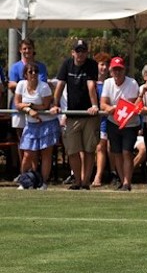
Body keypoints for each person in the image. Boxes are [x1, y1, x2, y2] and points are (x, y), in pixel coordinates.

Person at [51, 39, 99, 190]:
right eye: (78, 51)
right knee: (72, 150)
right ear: (73, 53)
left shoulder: (92, 64)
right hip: (72, 115)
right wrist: (55, 104)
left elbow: (91, 85)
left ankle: (85, 182)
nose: (80, 54)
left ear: (87, 52)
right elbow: (60, 85)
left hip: (89, 116)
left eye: (83, 51)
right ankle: (77, 181)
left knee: (89, 149)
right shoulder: (67, 64)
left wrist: (94, 105)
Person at [99, 56, 140, 191]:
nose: (117, 73)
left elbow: (134, 105)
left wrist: (116, 108)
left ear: (124, 70)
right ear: (111, 71)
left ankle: (127, 182)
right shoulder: (108, 83)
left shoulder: (132, 83)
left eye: (120, 70)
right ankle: (123, 182)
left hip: (130, 124)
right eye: (115, 70)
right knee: (116, 152)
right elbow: (103, 103)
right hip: (113, 122)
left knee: (126, 152)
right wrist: (109, 108)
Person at [14, 63, 56, 189]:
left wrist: (30, 106)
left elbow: (45, 106)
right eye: (30, 72)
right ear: (25, 74)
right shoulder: (21, 85)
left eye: (36, 71)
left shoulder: (44, 87)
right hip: (31, 124)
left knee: (46, 154)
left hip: (46, 123)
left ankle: (43, 183)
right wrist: (29, 110)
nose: (33, 74)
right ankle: (24, 181)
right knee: (27, 154)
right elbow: (17, 104)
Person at [8, 39, 49, 160]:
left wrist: (24, 85)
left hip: (38, 109)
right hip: (19, 109)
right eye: (24, 48)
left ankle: (35, 170)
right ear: (20, 50)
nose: (27, 51)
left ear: (33, 49)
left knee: (37, 140)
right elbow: (11, 85)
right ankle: (24, 171)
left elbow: (42, 84)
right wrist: (25, 86)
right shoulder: (15, 67)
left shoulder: (41, 66)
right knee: (22, 141)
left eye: (29, 48)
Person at [92, 51, 112, 187]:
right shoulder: (90, 82)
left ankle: (99, 176)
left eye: (106, 65)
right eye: (101, 64)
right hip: (92, 119)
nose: (103, 68)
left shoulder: (111, 83)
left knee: (102, 147)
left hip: (106, 120)